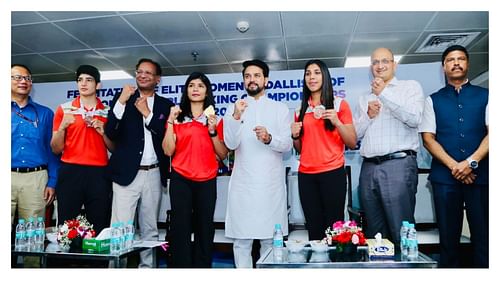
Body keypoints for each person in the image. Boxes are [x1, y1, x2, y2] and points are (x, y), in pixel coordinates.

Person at [420, 45, 488, 268]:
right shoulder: (433, 100)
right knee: (448, 239)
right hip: (444, 180)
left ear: (467, 64)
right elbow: (428, 139)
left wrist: (470, 163)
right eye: (450, 60)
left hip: (481, 178)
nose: (456, 63)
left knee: (484, 238)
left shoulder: (487, 95)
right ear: (444, 67)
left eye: (460, 59)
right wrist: (456, 167)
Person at [223, 59, 292, 268]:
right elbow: (230, 143)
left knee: (270, 240)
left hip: (269, 186)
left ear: (266, 80)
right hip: (243, 185)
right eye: (247, 76)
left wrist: (270, 138)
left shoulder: (280, 109)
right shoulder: (233, 108)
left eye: (256, 76)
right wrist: (236, 116)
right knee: (242, 241)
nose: (251, 80)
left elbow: (288, 144)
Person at [105, 58, 173, 268]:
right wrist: (121, 103)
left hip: (153, 174)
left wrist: (148, 114)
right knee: (120, 230)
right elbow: (110, 132)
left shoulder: (165, 105)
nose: (142, 75)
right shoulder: (122, 98)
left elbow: (165, 136)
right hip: (125, 175)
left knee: (150, 230)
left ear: (157, 79)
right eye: (139, 72)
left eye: (148, 73)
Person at [354, 48, 424, 247]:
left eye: (385, 61)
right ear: (371, 67)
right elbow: (356, 134)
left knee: (400, 228)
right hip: (369, 168)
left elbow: (414, 118)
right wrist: (368, 115)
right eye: (375, 62)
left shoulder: (409, 87)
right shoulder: (364, 97)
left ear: (395, 64)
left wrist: (383, 94)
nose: (380, 65)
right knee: (374, 233)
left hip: (398, 164)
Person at [162, 72, 228, 268]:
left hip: (207, 180)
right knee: (180, 228)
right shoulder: (177, 118)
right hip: (181, 179)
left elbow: (223, 154)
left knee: (204, 228)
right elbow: (168, 150)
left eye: (200, 85)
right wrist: (170, 121)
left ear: (207, 90)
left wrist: (213, 131)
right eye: (192, 85)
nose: (196, 89)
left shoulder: (215, 119)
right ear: (186, 90)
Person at [290, 60, 357, 240]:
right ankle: (317, 266)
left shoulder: (340, 104)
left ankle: (335, 266)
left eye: (317, 72)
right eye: (308, 73)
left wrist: (337, 122)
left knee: (335, 228)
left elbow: (352, 142)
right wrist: (295, 136)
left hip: (332, 173)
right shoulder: (300, 110)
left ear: (325, 76)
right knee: (313, 227)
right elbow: (301, 148)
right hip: (306, 176)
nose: (312, 77)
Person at [50, 65, 113, 234]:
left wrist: (103, 131)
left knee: (99, 223)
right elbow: (55, 149)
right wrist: (62, 127)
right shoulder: (64, 109)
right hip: (71, 171)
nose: (83, 84)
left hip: (99, 173)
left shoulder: (107, 112)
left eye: (89, 80)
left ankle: (97, 261)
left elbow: (114, 148)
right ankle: (65, 261)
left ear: (98, 85)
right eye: (80, 80)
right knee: (66, 223)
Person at [11, 64, 59, 224]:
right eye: (17, 77)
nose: (23, 81)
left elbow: (52, 150)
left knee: (33, 232)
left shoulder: (45, 113)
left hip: (36, 179)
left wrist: (52, 182)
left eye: (27, 78)